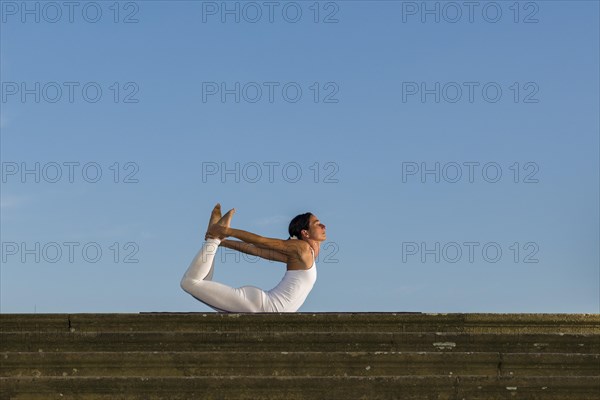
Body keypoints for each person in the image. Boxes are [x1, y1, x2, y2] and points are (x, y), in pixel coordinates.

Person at [180, 204, 326, 313]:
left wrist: (223, 241)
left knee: (199, 285)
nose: (323, 226)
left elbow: (256, 251)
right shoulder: (301, 248)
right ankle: (213, 239)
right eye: (317, 223)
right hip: (260, 306)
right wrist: (226, 231)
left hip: (260, 307)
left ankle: (214, 238)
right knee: (189, 283)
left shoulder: (304, 255)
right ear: (305, 233)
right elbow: (260, 241)